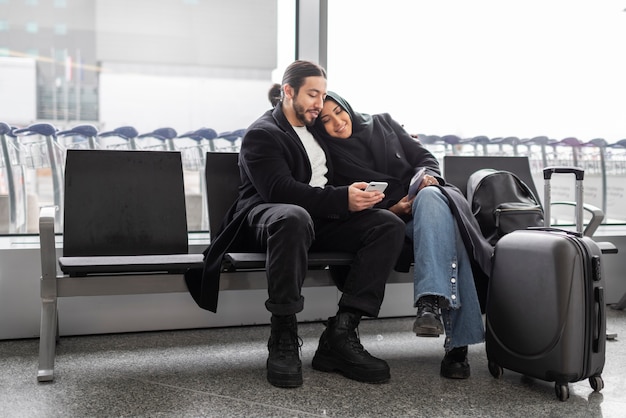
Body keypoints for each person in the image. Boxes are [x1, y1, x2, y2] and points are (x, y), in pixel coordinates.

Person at [184, 61, 406, 389]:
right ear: (289, 92)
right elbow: (279, 190)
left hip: (315, 222)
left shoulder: (314, 128)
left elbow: (354, 138)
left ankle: (341, 334)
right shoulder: (263, 133)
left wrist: (397, 143)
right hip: (265, 219)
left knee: (386, 224)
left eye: (323, 94)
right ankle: (283, 334)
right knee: (293, 216)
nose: (320, 103)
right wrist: (342, 199)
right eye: (312, 94)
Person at [312, 91, 493, 379]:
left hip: (423, 202)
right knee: (452, 236)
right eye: (326, 120)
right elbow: (347, 205)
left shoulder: (383, 123)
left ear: (347, 107)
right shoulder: (328, 155)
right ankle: (456, 344)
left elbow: (424, 157)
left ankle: (429, 302)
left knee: (433, 198)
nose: (337, 122)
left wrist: (427, 178)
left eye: (338, 112)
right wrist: (391, 207)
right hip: (391, 221)